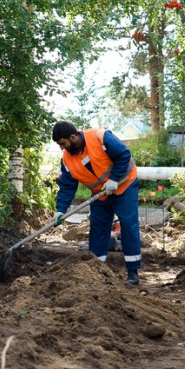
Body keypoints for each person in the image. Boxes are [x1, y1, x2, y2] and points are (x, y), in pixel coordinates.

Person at [51, 120, 142, 285]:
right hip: (100, 194)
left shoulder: (100, 136)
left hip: (124, 185)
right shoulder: (67, 160)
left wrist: (114, 179)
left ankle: (132, 271)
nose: (62, 148)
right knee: (98, 227)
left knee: (128, 224)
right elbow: (66, 187)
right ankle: (96, 270)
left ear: (73, 137)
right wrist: (60, 210)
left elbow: (124, 155)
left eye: (63, 143)